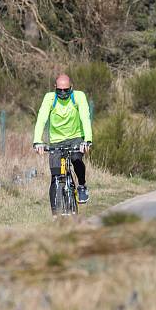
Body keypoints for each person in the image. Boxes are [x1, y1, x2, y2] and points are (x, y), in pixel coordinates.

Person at [33, 74, 93, 209]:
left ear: (71, 88)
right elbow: (41, 118)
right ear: (55, 88)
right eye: (59, 90)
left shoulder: (79, 96)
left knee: (77, 159)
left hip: (76, 137)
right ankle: (56, 215)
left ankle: (82, 185)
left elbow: (85, 117)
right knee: (55, 178)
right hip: (56, 141)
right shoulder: (49, 98)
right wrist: (37, 141)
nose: (63, 93)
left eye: (66, 90)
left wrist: (87, 140)